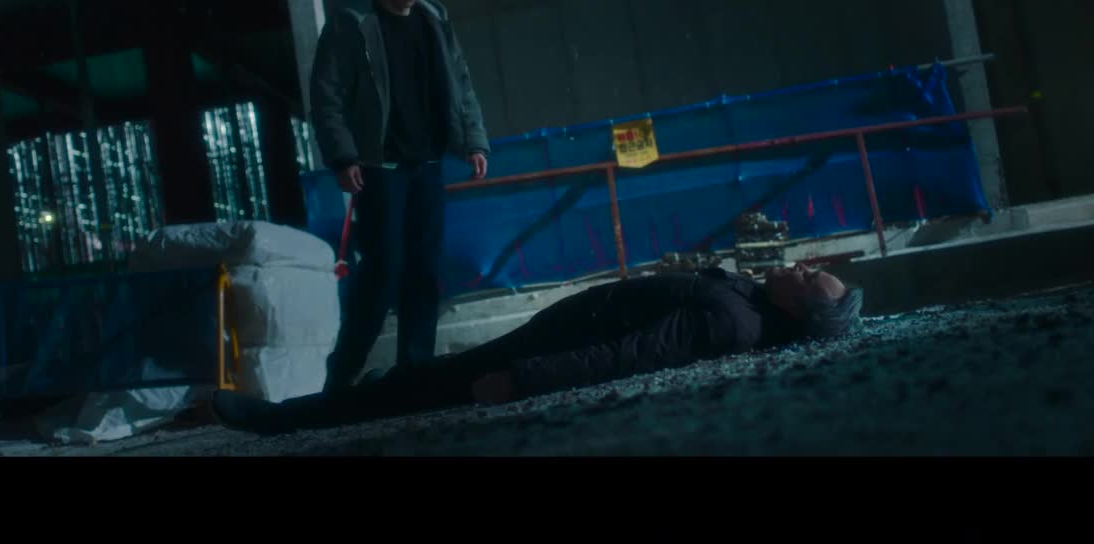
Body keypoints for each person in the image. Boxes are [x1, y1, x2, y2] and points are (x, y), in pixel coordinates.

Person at [212, 264, 864, 435]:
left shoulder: (733, 323)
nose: (802, 264)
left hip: (557, 347)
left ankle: (278, 420)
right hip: (559, 331)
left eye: (808, 277)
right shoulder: (748, 300)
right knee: (420, 380)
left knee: (420, 385)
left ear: (796, 310)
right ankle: (339, 401)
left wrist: (523, 378)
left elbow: (630, 356)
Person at [309, 0, 491, 392]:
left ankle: (415, 372)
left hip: (426, 162)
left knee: (424, 269)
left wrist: (473, 141)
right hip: (380, 168)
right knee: (382, 271)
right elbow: (327, 94)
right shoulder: (353, 22)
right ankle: (342, 375)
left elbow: (460, 80)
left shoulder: (434, 17)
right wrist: (343, 155)